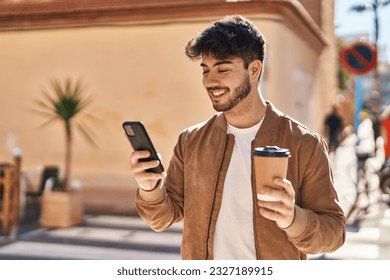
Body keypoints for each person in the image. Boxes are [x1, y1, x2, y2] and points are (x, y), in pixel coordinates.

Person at [130, 15, 346, 260]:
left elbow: (334, 234)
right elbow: (163, 218)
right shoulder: (191, 141)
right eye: (206, 70)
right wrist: (150, 189)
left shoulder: (304, 143)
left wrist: (293, 218)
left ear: (254, 70)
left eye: (222, 69)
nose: (211, 81)